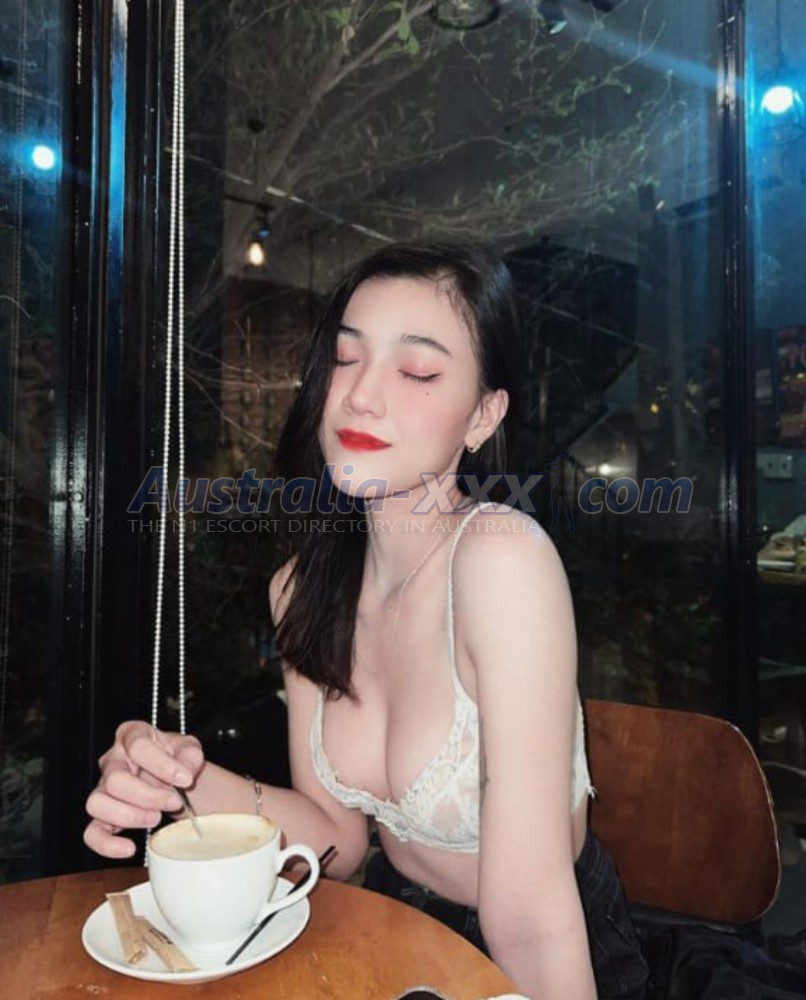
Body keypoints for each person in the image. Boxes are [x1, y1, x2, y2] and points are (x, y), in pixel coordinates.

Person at [84, 240, 649, 999]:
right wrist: (180, 780)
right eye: (346, 359)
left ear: (483, 415)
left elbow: (531, 920)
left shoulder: (501, 562)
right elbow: (338, 843)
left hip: (539, 952)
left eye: (416, 371)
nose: (360, 396)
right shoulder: (302, 588)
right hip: (393, 927)